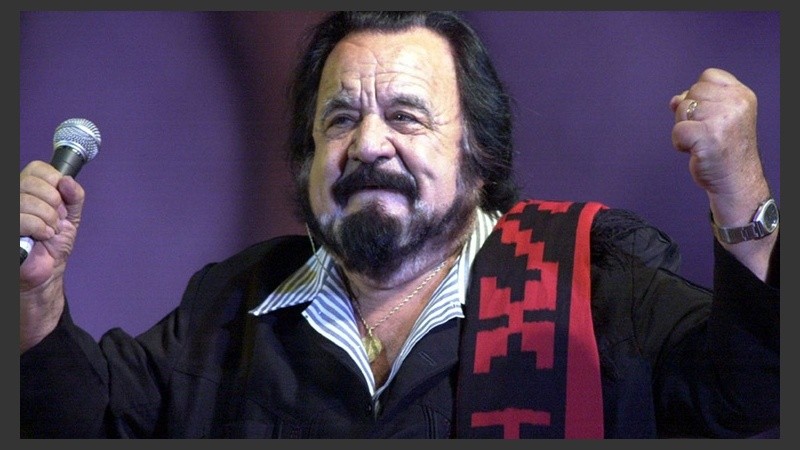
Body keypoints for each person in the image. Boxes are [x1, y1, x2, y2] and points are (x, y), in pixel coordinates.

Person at [19, 11, 778, 439]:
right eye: (339, 119)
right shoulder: (229, 305)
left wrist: (742, 194)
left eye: (406, 117)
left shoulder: (590, 279)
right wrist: (35, 295)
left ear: (478, 156)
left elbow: (752, 393)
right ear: (308, 162)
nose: (369, 144)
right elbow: (85, 422)